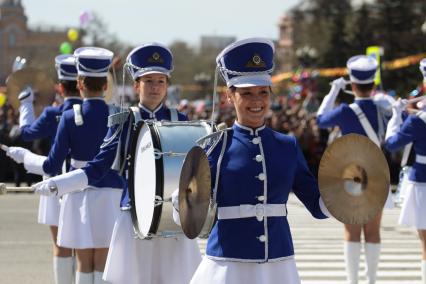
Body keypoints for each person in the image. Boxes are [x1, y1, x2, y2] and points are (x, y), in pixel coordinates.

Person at [32, 43, 201, 284]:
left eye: (161, 81)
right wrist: (61, 183)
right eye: (148, 81)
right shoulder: (122, 119)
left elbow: (194, 169)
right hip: (134, 215)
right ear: (136, 85)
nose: (155, 87)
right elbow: (99, 165)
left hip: (172, 218)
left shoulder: (180, 119)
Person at [189, 38, 329, 284]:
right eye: (247, 93)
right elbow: (190, 209)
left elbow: (317, 205)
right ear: (230, 97)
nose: (257, 101)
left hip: (277, 264)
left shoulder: (287, 145)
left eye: (263, 92)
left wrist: (351, 194)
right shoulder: (214, 146)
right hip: (228, 263)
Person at [8, 47, 124, 284]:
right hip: (111, 193)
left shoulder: (69, 117)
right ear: (105, 84)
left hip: (76, 192)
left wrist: (26, 158)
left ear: (80, 83)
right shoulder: (119, 115)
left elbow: (52, 163)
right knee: (103, 260)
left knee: (82, 261)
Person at [316, 55, 393, 284]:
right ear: (374, 84)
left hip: (351, 173)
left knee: (351, 231)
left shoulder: (345, 111)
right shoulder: (382, 110)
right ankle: (371, 280)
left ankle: (352, 281)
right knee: (373, 231)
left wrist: (333, 91)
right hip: (378, 172)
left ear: (352, 83)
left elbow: (320, 119)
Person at [6, 54, 82, 284]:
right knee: (84, 248)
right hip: (82, 182)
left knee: (60, 245)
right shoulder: (92, 112)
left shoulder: (53, 113)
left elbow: (25, 132)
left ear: (59, 87)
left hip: (55, 181)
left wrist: (26, 101)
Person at [384, 58, 426, 284]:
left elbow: (391, 143)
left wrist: (396, 115)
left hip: (422, 182)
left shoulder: (417, 121)